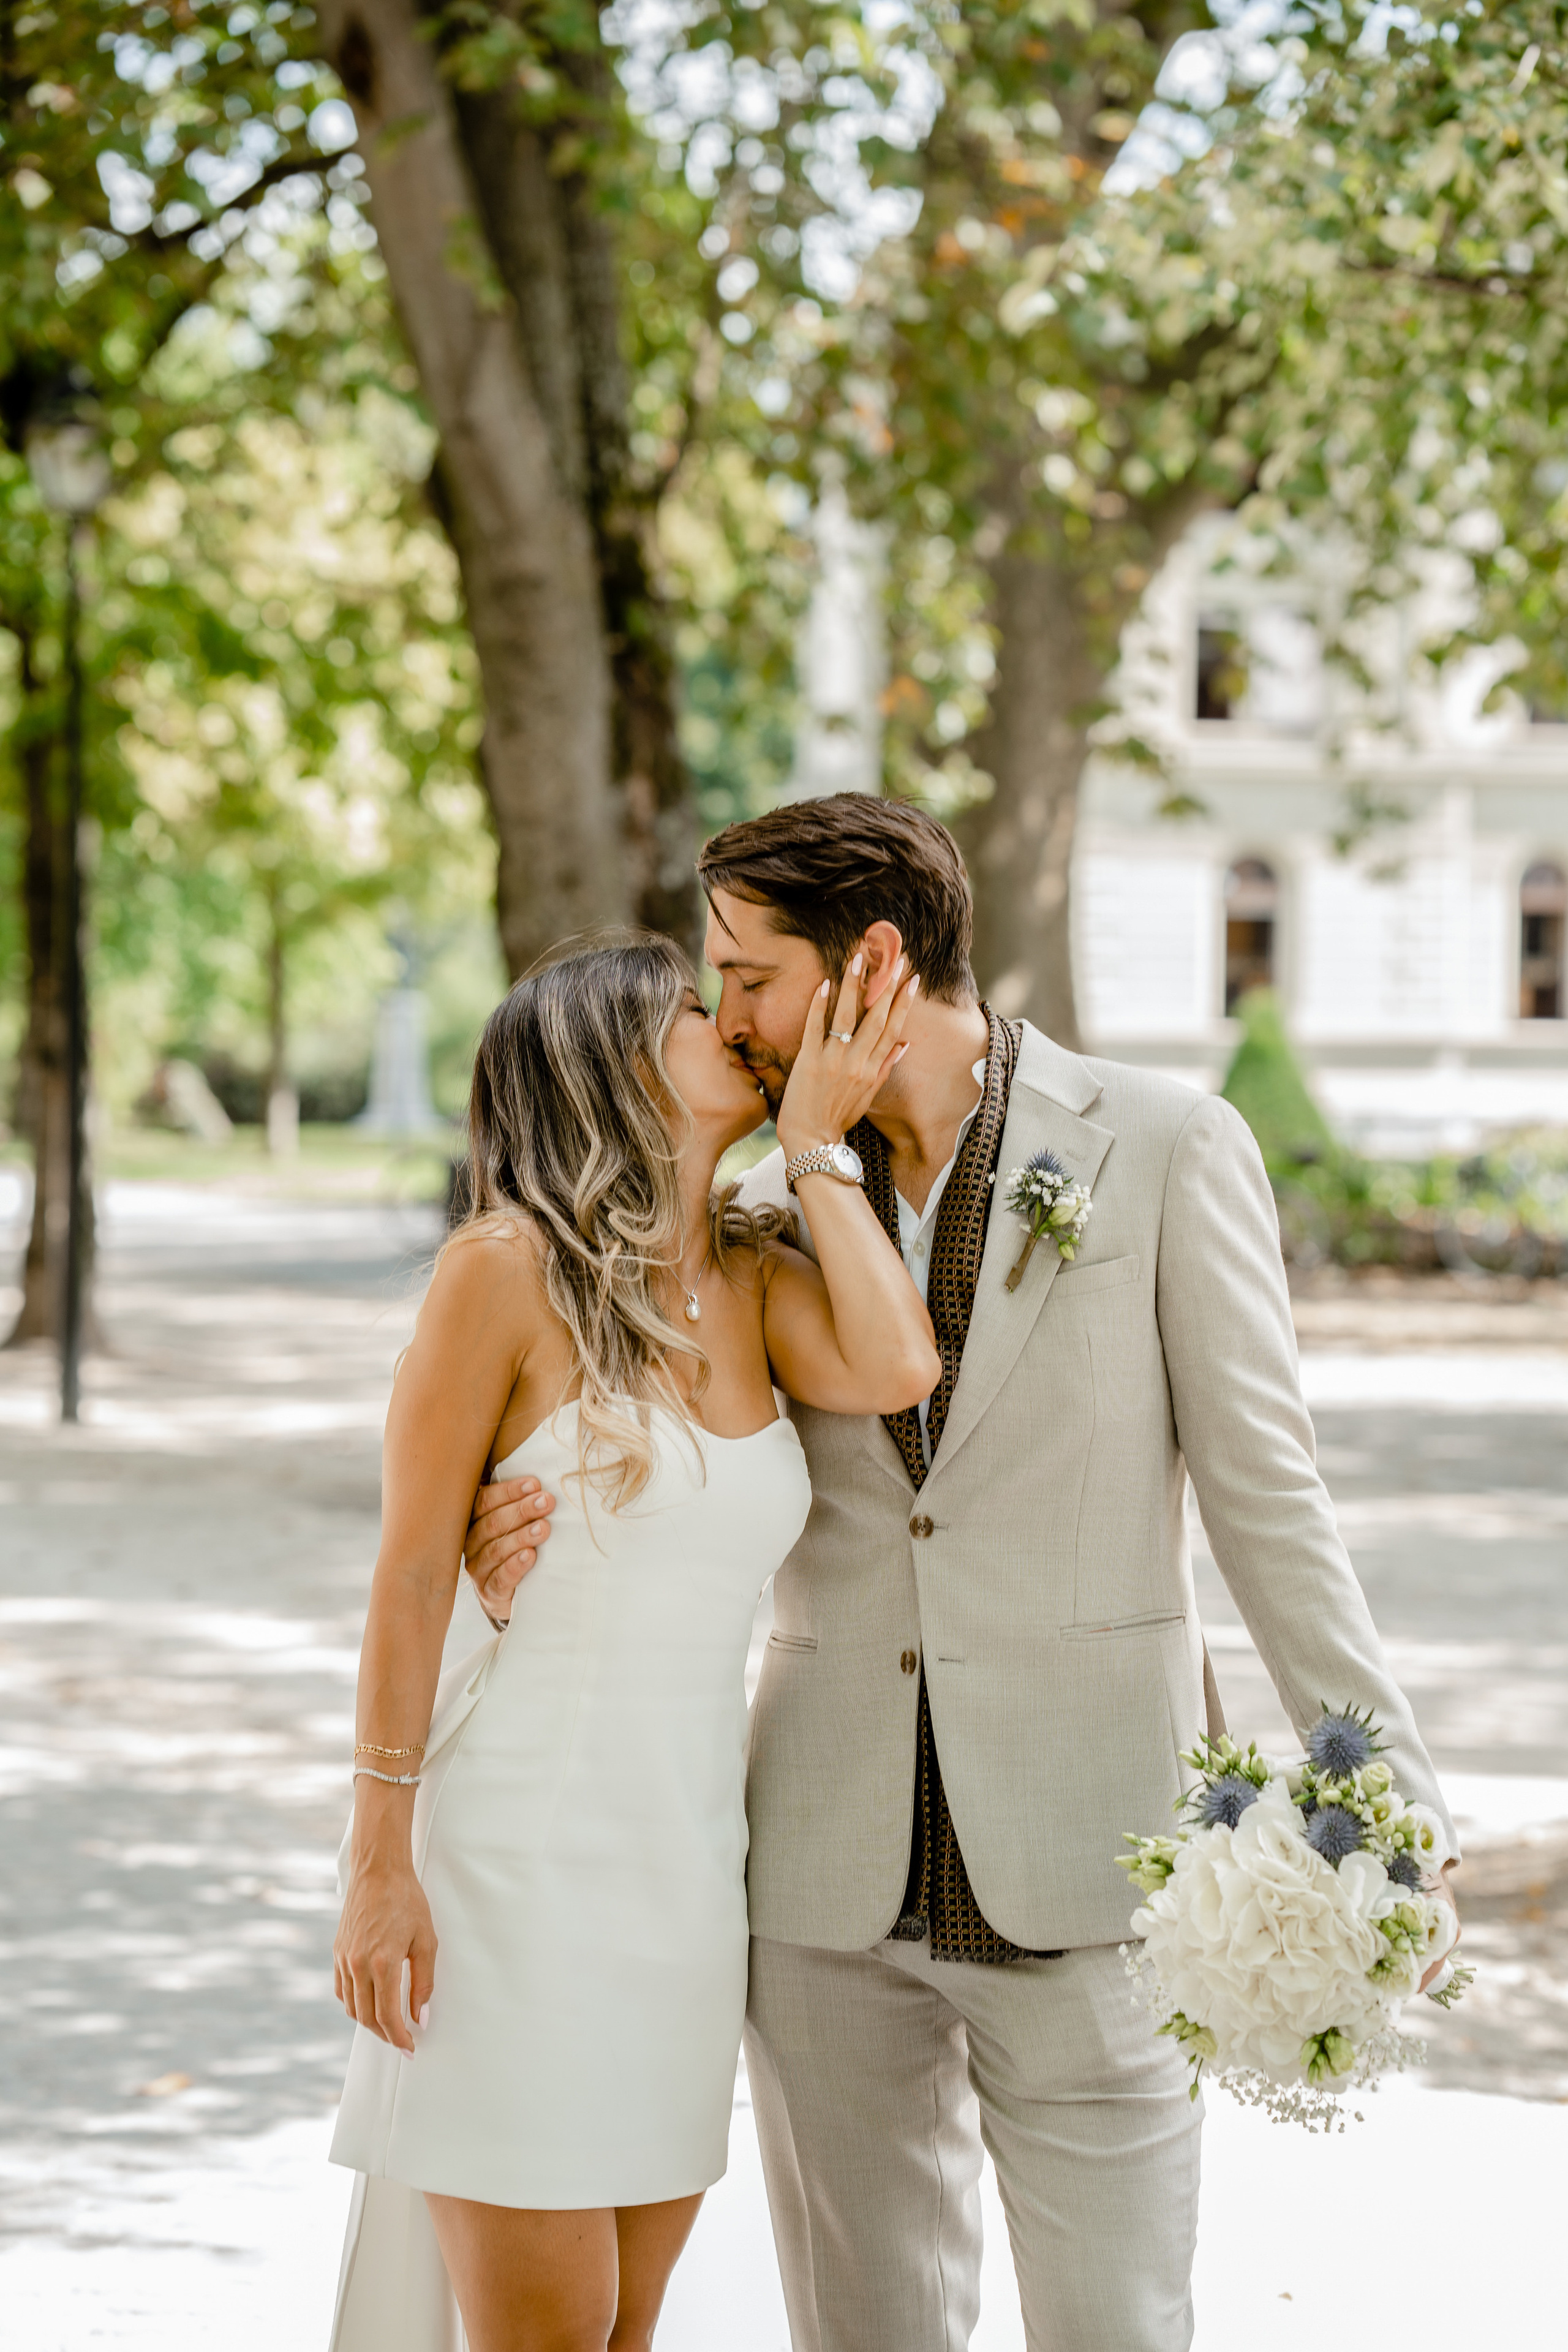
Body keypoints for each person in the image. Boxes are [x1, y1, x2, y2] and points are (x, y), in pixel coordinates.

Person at [463, 796, 1460, 2352]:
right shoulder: (742, 1192)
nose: (720, 1018)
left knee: (1114, 2328)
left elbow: (1270, 1494)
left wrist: (1387, 1791)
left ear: (869, 965)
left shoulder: (1160, 1145)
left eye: (747, 976)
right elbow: (601, 1427)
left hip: (1096, 1861)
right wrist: (489, 1521)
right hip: (820, 1879)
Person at [326, 930, 937, 2352]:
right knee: (554, 2329)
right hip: (510, 1876)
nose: (730, 1018)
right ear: (600, 1057)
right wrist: (376, 1865)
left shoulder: (756, 1274)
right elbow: (411, 1578)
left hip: (683, 1888)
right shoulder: (500, 1271)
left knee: (623, 2331)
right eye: (687, 1008)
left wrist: (815, 1148)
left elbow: (900, 1364)